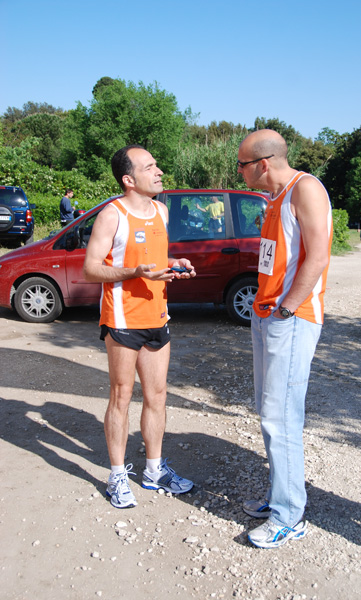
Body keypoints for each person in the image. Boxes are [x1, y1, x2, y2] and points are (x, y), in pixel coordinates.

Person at [83, 144, 196, 509]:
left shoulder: (162, 211)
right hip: (122, 318)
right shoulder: (111, 215)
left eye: (157, 164)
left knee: (157, 395)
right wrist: (133, 272)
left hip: (157, 315)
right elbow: (90, 268)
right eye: (150, 167)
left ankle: (153, 470)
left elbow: (155, 259)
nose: (159, 171)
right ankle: (117, 476)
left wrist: (174, 262)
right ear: (128, 179)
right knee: (121, 396)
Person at [237, 130, 332, 549]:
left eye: (241, 164)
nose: (237, 171)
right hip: (268, 316)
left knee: (281, 417)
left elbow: (319, 255)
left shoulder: (305, 189)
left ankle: (289, 516)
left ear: (263, 163)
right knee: (269, 412)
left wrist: (288, 307)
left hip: (291, 319)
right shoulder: (273, 198)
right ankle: (280, 496)